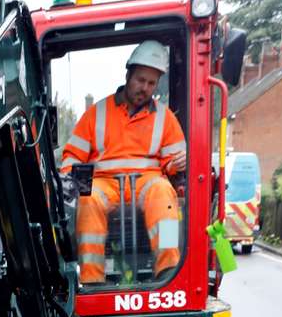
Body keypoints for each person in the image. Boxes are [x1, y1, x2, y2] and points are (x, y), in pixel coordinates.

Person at [60, 41, 187, 284]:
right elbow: (72, 158)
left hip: (148, 184)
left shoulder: (165, 118)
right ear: (128, 75)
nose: (145, 88)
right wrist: (73, 180)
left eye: (151, 83)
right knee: (88, 199)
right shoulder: (97, 113)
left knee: (165, 196)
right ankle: (92, 280)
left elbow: (172, 163)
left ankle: (169, 271)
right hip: (104, 184)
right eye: (140, 80)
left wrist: (178, 163)